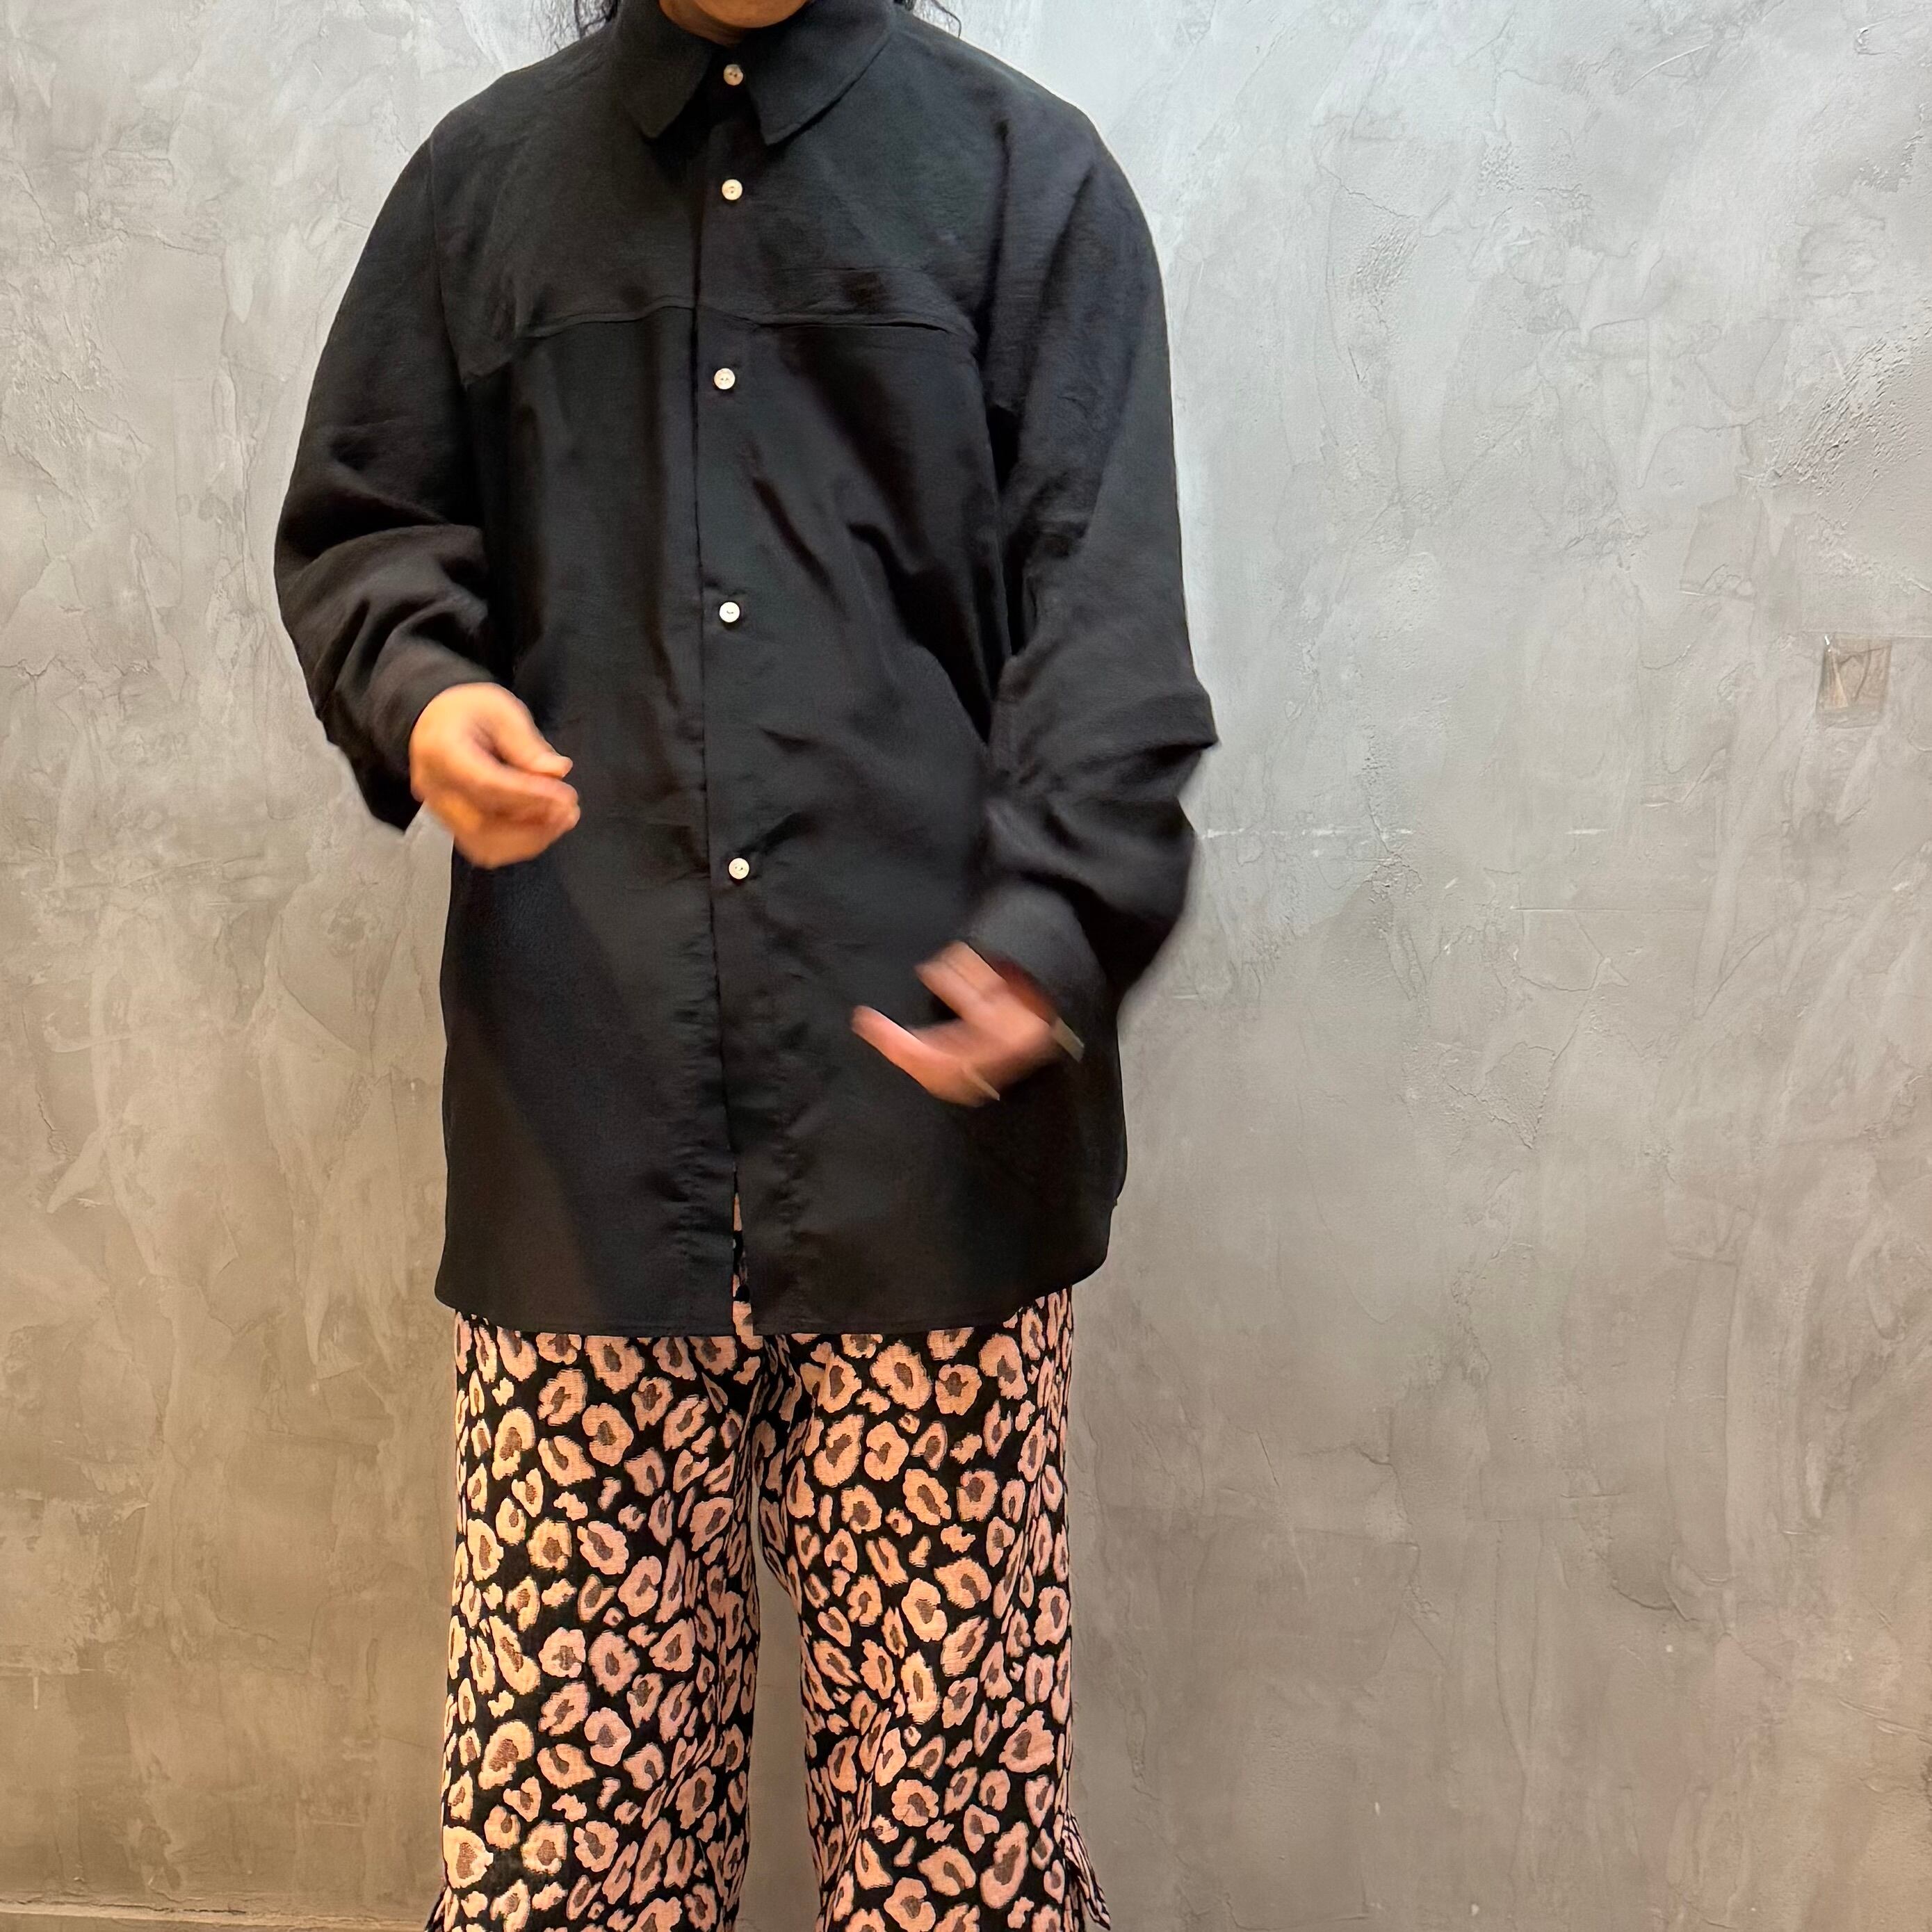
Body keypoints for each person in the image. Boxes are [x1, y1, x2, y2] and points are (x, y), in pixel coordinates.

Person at [274, 0, 1216, 1924]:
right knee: (565, 1874)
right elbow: (365, 529)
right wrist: (422, 692)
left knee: (953, 1864)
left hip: (927, 1176)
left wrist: (1048, 932)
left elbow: (1108, 639)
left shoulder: (1023, 186)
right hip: (583, 1155)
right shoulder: (481, 192)